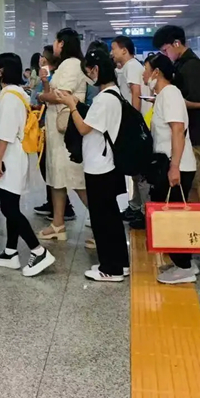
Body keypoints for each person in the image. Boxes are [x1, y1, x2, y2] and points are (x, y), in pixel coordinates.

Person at [56, 48, 128, 282]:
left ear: (96, 70)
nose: (88, 76)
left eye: (88, 71)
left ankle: (110, 268)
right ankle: (120, 263)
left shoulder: (105, 99)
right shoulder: (114, 94)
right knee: (111, 218)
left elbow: (84, 128)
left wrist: (71, 105)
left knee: (102, 219)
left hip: (99, 166)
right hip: (107, 164)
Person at [0, 53, 56, 277]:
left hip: (8, 158)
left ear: (3, 71)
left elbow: (6, 133)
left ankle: (38, 251)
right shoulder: (17, 93)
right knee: (11, 205)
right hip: (13, 156)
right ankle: (10, 252)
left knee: (9, 208)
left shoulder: (9, 98)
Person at [144, 53, 199, 285]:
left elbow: (178, 130)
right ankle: (183, 262)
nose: (144, 75)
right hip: (171, 164)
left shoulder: (170, 94)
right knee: (171, 215)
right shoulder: (164, 95)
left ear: (157, 72)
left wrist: (174, 166)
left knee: (174, 217)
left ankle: (184, 267)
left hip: (177, 166)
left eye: (146, 70)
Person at [37, 28, 89, 241]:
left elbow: (61, 95)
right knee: (57, 177)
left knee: (76, 180)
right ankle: (57, 224)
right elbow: (54, 91)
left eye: (56, 41)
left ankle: (102, 224)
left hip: (67, 134)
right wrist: (45, 82)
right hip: (57, 133)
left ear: (62, 43)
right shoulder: (64, 65)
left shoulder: (73, 64)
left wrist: (41, 96)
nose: (54, 45)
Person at [152, 25, 200, 203]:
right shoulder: (180, 64)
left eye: (165, 50)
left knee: (195, 183)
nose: (165, 54)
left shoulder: (192, 66)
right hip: (186, 134)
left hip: (195, 134)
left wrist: (172, 102)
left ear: (176, 43)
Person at [112, 35, 150, 228]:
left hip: (137, 125)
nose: (112, 53)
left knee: (141, 172)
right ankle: (135, 206)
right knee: (135, 171)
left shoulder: (132, 66)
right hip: (133, 123)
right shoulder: (127, 67)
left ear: (124, 50)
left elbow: (136, 93)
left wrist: (134, 121)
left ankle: (144, 211)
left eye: (114, 49)